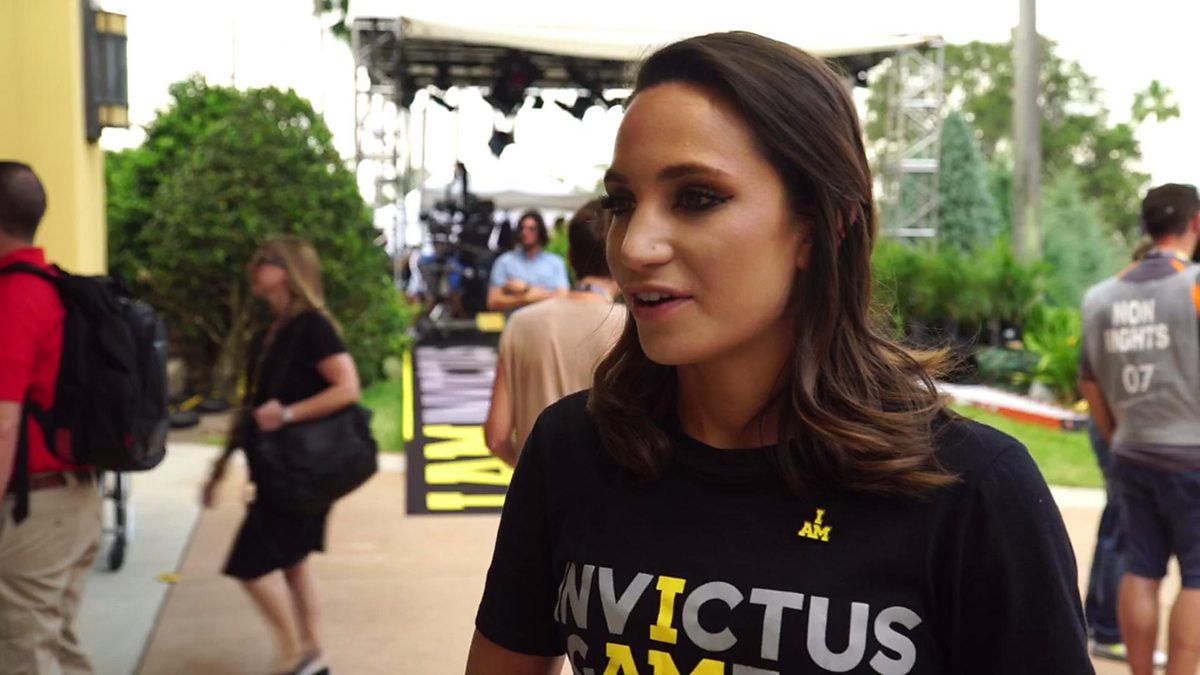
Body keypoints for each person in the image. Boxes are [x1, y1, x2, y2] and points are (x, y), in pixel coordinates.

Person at [465, 32, 1091, 675]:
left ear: (823, 224)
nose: (634, 247)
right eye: (622, 203)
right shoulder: (572, 449)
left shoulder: (972, 490)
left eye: (697, 198)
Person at [203, 236, 361, 675]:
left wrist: (288, 414)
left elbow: (347, 388)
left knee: (249, 567)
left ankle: (296, 653)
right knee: (293, 561)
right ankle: (313, 654)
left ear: (289, 271)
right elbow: (251, 410)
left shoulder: (312, 328)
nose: (253, 268)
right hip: (280, 472)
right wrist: (219, 471)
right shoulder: (268, 335)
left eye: (264, 261)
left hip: (302, 472)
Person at [1081, 183, 1200, 675]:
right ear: (1195, 224)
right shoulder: (1193, 286)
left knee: (1141, 569)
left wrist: (1117, 437)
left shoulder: (1099, 297)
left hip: (1131, 452)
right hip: (1191, 453)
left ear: (1147, 228)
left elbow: (1089, 383)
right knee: (1196, 578)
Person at [0, 162, 101, 675]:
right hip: (74, 502)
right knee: (56, 644)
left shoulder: (15, 297)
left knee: (25, 655)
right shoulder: (54, 284)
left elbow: (3, 422)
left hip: (36, 511)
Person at [484, 199, 626, 466]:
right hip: (609, 488)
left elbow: (496, 437)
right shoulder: (631, 329)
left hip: (537, 487)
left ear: (570, 256)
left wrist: (531, 474)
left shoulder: (520, 325)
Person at [486, 210, 569, 311]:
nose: (525, 233)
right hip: (515, 319)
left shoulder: (556, 262)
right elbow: (493, 302)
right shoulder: (505, 262)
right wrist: (524, 299)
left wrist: (527, 288)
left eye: (531, 229)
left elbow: (563, 297)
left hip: (547, 319)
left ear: (540, 232)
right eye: (522, 228)